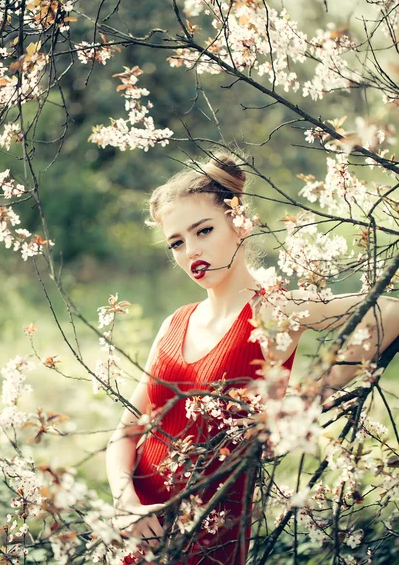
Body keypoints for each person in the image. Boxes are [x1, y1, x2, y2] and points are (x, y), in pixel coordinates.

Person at [105, 153, 398, 564]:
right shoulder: (175, 322)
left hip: (212, 534)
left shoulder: (273, 310)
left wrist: (309, 399)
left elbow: (389, 312)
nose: (191, 251)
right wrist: (125, 502)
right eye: (177, 242)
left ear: (239, 222)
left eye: (203, 231)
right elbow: (125, 433)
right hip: (137, 528)